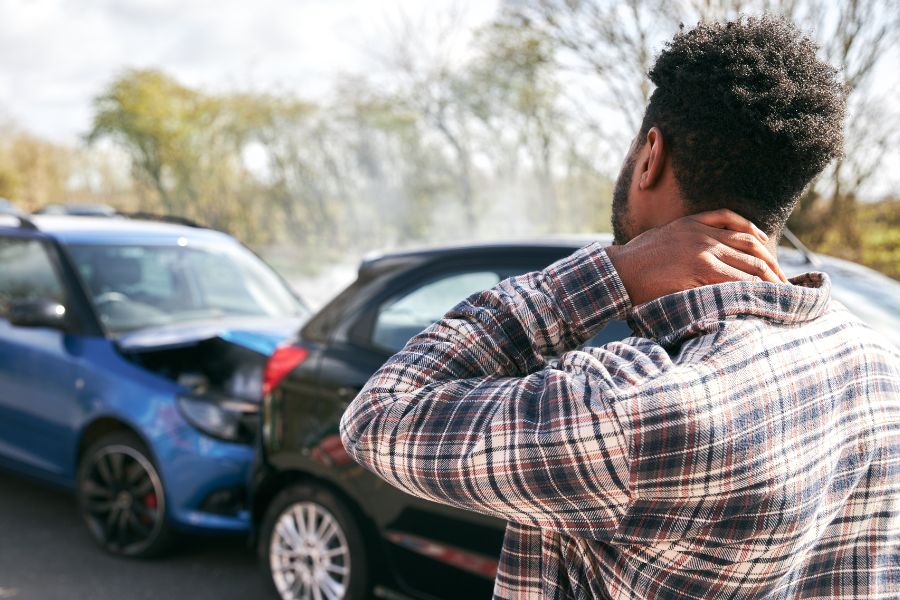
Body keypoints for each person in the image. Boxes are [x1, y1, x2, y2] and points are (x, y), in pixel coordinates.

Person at [341, 15, 900, 600]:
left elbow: (381, 415)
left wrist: (611, 272)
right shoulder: (879, 365)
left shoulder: (632, 408)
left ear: (649, 155)